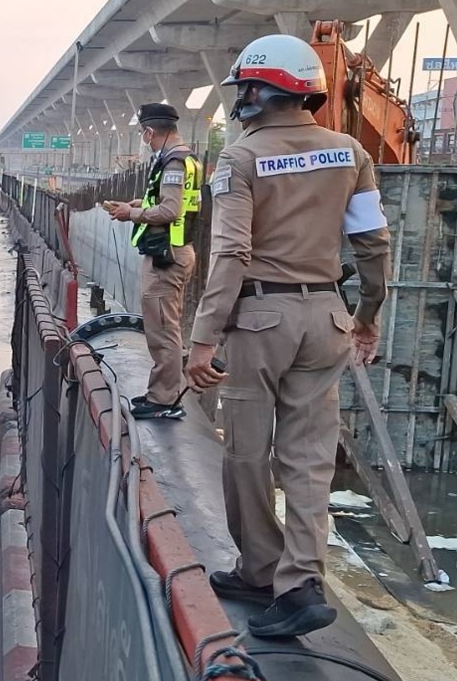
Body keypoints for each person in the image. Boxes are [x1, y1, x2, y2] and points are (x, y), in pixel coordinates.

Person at [185, 35, 390, 638]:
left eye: (244, 88)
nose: (241, 99)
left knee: (248, 451)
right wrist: (368, 313)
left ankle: (258, 570)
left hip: (261, 319)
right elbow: (373, 243)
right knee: (307, 458)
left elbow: (229, 253)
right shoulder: (349, 153)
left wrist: (203, 336)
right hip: (328, 317)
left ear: (259, 90)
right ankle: (300, 582)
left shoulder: (241, 160)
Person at [108, 102, 203, 420]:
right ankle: (159, 393)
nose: (145, 140)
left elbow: (171, 211)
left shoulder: (174, 163)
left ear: (150, 131)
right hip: (171, 252)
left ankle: (165, 400)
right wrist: (140, 203)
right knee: (163, 326)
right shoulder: (182, 159)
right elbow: (169, 203)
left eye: (144, 134)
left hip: (168, 256)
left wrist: (131, 214)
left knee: (163, 329)